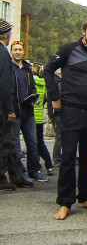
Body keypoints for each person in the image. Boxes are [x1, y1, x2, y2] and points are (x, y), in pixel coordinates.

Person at [44, 16, 87, 220]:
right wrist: (55, 99)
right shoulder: (68, 49)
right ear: (84, 31)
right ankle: (64, 203)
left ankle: (84, 197)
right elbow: (48, 70)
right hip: (70, 111)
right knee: (68, 158)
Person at [10, 41, 48, 182]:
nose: (18, 52)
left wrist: (34, 97)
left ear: (23, 52)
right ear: (12, 52)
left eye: (20, 49)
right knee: (16, 144)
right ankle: (21, 172)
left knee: (33, 143)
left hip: (29, 111)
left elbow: (32, 87)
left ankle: (34, 171)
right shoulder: (8, 68)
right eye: (15, 50)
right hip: (15, 112)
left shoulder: (27, 68)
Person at [0, 19, 29, 190]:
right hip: (3, 107)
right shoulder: (3, 53)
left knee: (10, 141)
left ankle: (16, 176)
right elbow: (4, 83)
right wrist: (10, 109)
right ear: (6, 34)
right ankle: (2, 176)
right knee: (5, 142)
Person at [32, 63, 54, 176]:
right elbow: (45, 100)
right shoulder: (43, 84)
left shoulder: (31, 82)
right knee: (40, 142)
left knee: (33, 144)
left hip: (32, 117)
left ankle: (37, 165)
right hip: (40, 117)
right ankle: (49, 164)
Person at [46, 70, 62, 169]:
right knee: (59, 136)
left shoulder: (54, 81)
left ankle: (57, 157)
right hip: (58, 112)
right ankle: (56, 158)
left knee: (60, 136)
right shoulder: (58, 82)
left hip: (55, 113)